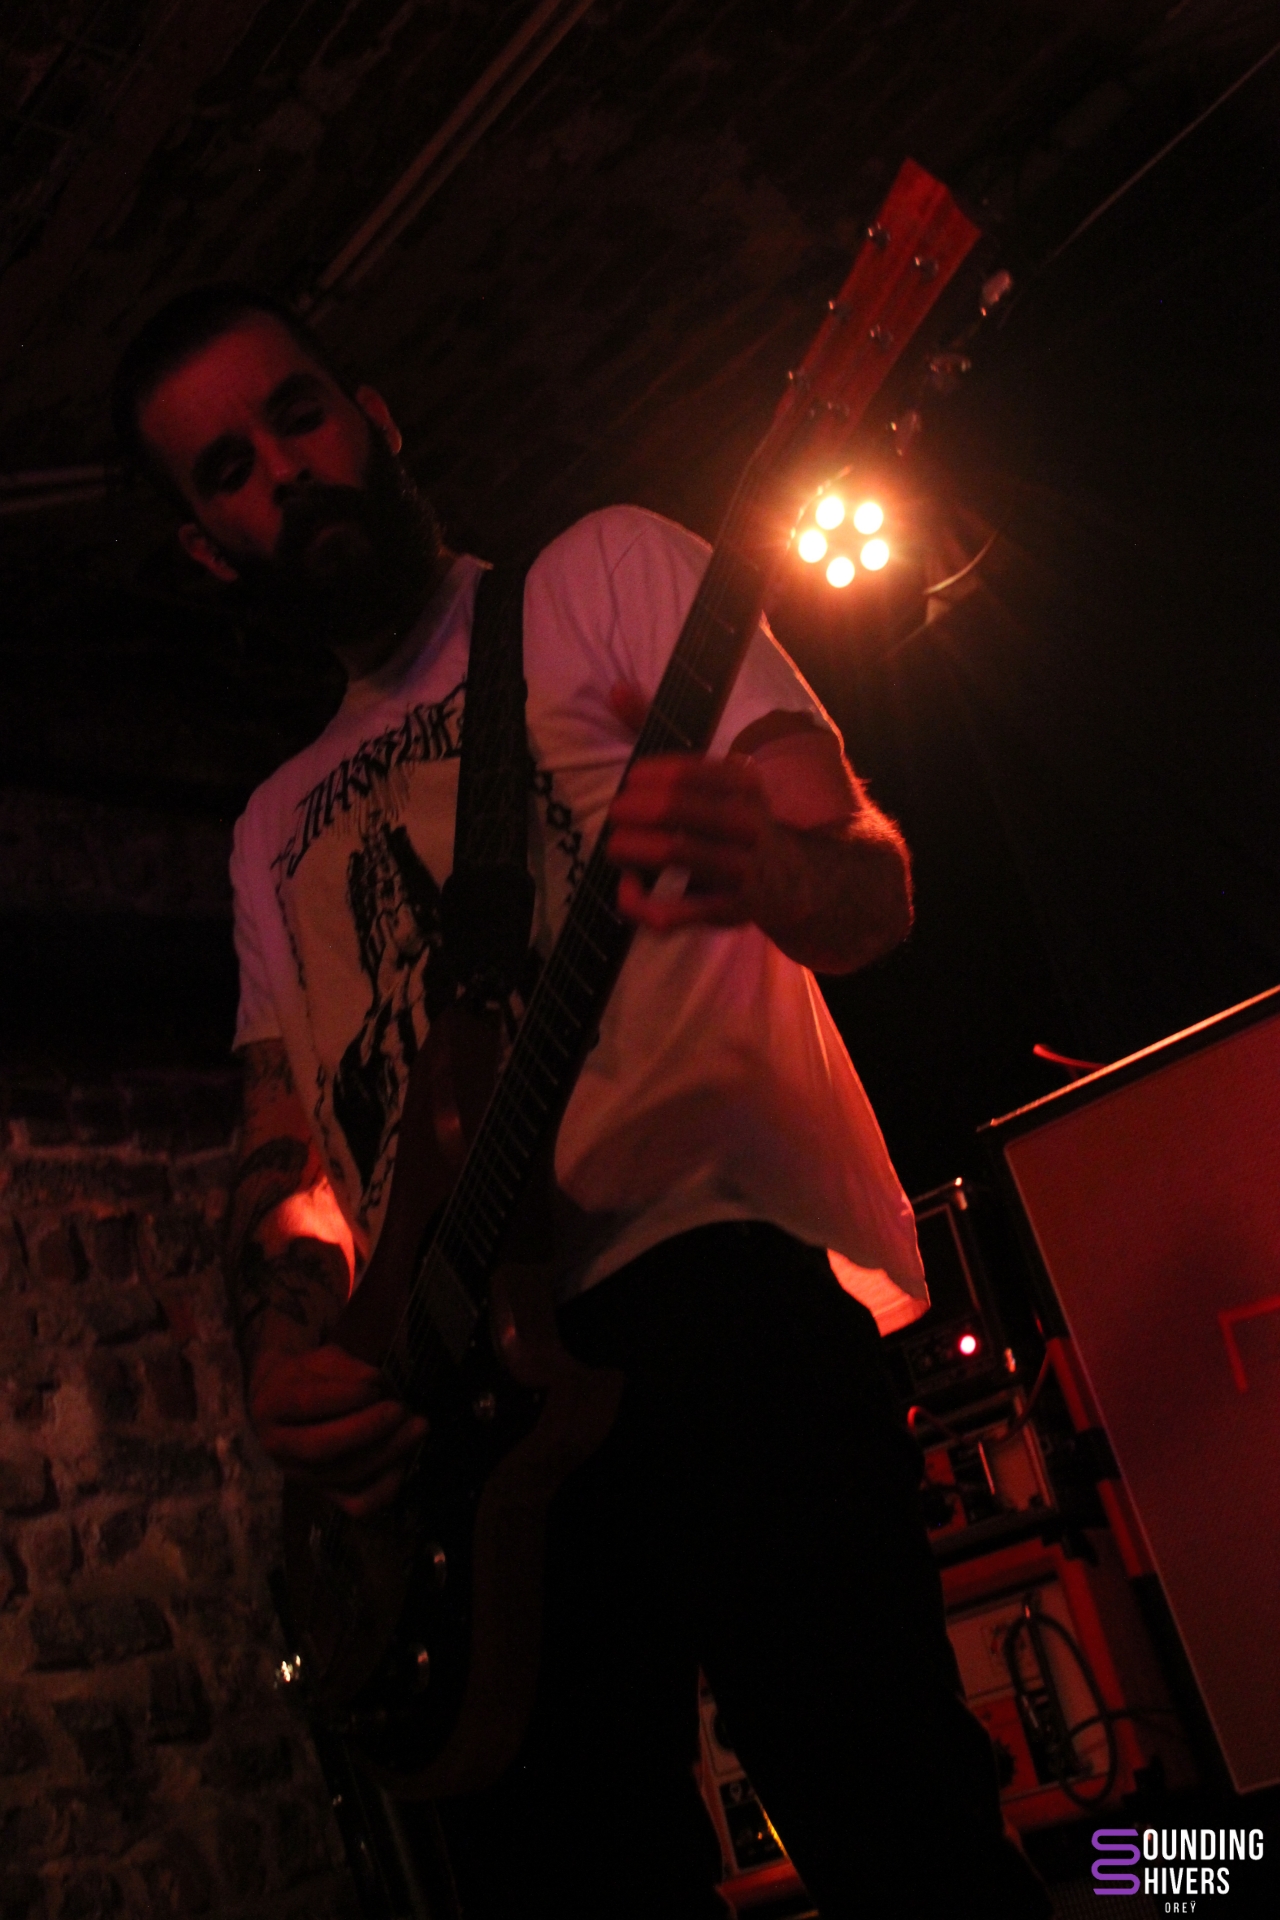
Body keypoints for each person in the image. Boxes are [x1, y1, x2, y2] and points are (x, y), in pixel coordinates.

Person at [112, 285, 1051, 1919]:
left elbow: (871, 892)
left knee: (904, 1833)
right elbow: (288, 1144)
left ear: (375, 416)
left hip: (709, 1300)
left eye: (298, 414)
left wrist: (778, 870)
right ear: (208, 549)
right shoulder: (267, 830)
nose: (285, 469)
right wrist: (284, 1344)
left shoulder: (606, 577)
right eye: (228, 470)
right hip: (466, 1421)